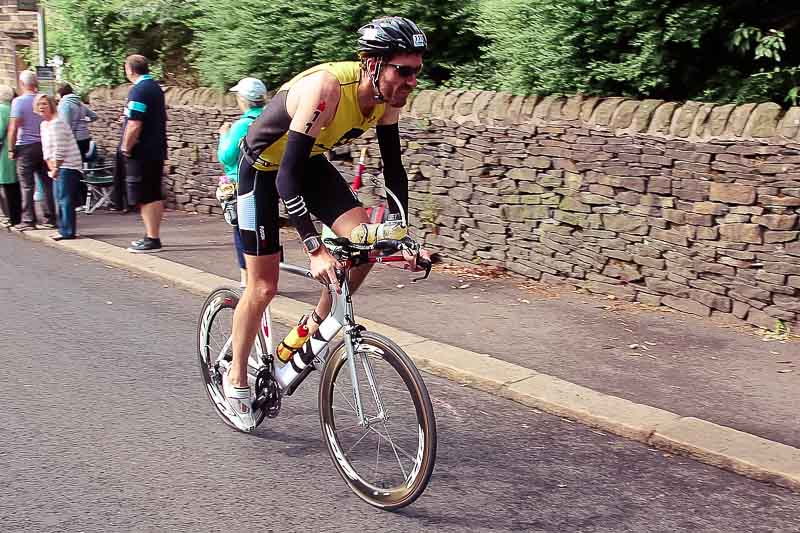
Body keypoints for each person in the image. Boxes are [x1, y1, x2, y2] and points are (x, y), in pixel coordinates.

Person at [226, 16, 431, 431]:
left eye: (416, 72)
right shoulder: (328, 90)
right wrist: (314, 249)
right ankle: (236, 379)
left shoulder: (388, 100)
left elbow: (395, 171)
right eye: (403, 71)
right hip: (262, 169)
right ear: (373, 64)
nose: (410, 81)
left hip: (309, 164)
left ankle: (307, 332)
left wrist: (403, 237)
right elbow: (285, 176)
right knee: (263, 287)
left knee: (367, 245)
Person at [217, 77, 268, 287]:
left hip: (241, 185)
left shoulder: (241, 125)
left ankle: (248, 278)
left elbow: (226, 157)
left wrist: (223, 135)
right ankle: (267, 275)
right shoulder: (271, 119)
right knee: (265, 227)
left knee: (241, 229)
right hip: (267, 181)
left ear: (243, 100)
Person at [119, 55, 168, 253]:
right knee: (153, 193)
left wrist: (125, 147)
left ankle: (151, 239)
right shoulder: (155, 87)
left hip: (142, 152)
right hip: (156, 149)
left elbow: (134, 123)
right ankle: (153, 236)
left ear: (130, 70)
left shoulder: (138, 90)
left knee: (146, 195)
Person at [6, 70, 56, 231]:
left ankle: (28, 220)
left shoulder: (18, 102)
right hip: (45, 144)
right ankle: (50, 218)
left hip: (26, 147)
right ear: (36, 83)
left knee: (27, 185)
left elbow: (14, 127)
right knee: (47, 183)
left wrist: (11, 149)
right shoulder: (44, 99)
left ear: (22, 84)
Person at [36, 94, 84, 241]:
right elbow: (46, 149)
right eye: (39, 104)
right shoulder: (44, 125)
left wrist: (55, 167)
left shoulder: (58, 123)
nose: (42, 107)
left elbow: (60, 148)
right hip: (56, 166)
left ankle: (68, 231)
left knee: (65, 199)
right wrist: (50, 166)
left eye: (45, 103)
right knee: (60, 198)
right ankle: (63, 229)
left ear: (51, 105)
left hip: (67, 165)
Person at [56, 82, 97, 161]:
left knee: (74, 164)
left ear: (60, 93)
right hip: (86, 137)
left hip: (74, 139)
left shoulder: (64, 104)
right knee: (82, 162)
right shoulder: (80, 103)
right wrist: (85, 121)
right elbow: (94, 116)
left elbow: (66, 125)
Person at [0, 85, 21, 227]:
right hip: (16, 149)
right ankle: (16, 216)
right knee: (14, 186)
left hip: (4, 152)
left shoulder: (1, 109)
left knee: (7, 186)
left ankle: (10, 217)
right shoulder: (14, 108)